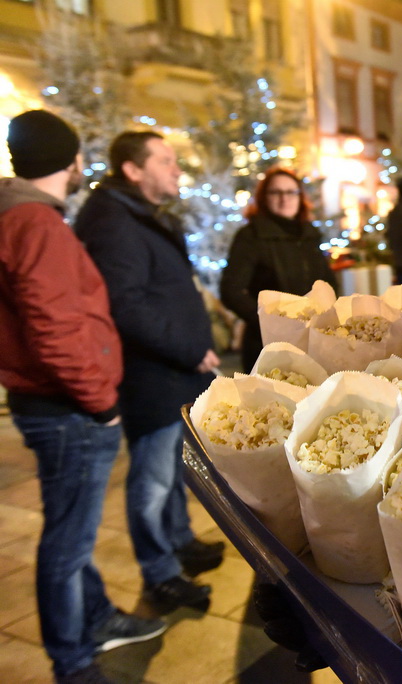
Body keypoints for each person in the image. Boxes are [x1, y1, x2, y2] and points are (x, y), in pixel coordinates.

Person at [1, 111, 166, 684]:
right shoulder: (35, 223)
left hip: (55, 403)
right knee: (66, 544)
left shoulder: (26, 216)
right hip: (67, 409)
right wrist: (99, 400)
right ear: (70, 160)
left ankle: (94, 617)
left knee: (70, 527)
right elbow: (55, 325)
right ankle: (72, 659)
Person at [75, 131, 223, 614]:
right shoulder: (116, 223)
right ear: (133, 170)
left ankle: (180, 543)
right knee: (152, 481)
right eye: (165, 160)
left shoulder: (137, 214)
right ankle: (159, 571)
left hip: (172, 372)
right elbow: (127, 305)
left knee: (174, 469)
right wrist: (191, 348)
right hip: (152, 375)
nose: (177, 169)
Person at [220, 166, 336, 372]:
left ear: (300, 197)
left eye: (291, 192)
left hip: (313, 341)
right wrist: (271, 323)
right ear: (264, 197)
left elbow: (327, 282)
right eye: (276, 192)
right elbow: (231, 290)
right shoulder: (251, 236)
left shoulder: (310, 234)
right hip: (268, 344)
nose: (285, 198)